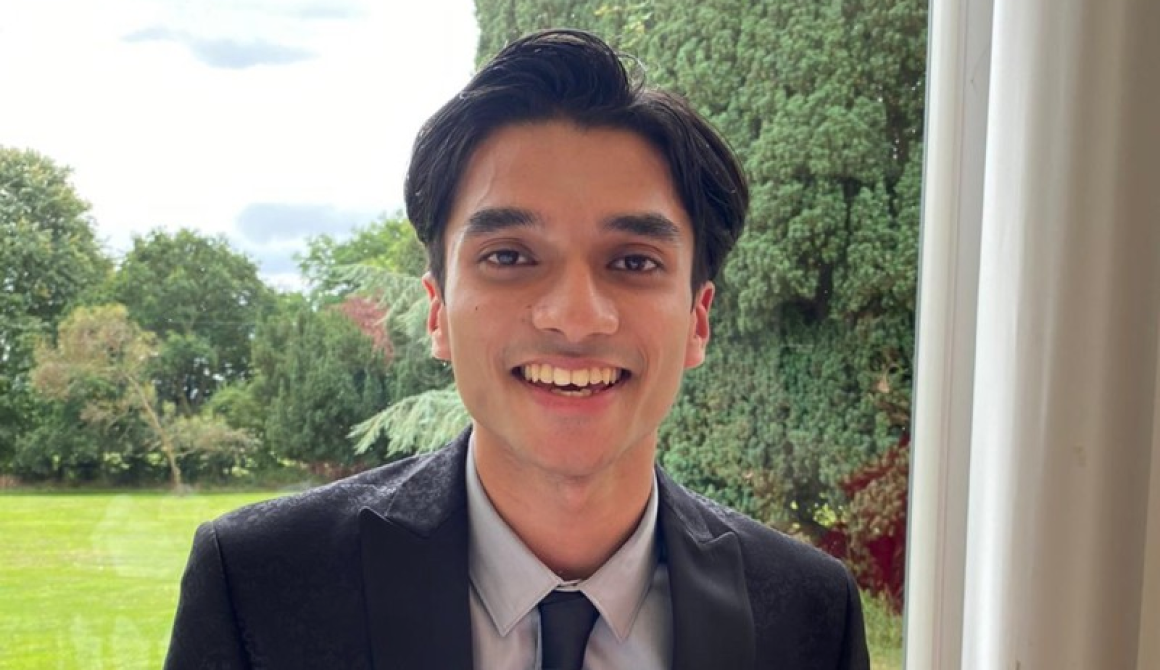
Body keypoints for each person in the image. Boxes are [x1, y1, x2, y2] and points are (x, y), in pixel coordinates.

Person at [165, 29, 869, 670]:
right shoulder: (257, 588)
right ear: (438, 311)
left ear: (698, 320)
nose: (575, 316)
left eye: (633, 261)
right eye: (508, 256)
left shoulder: (809, 616)